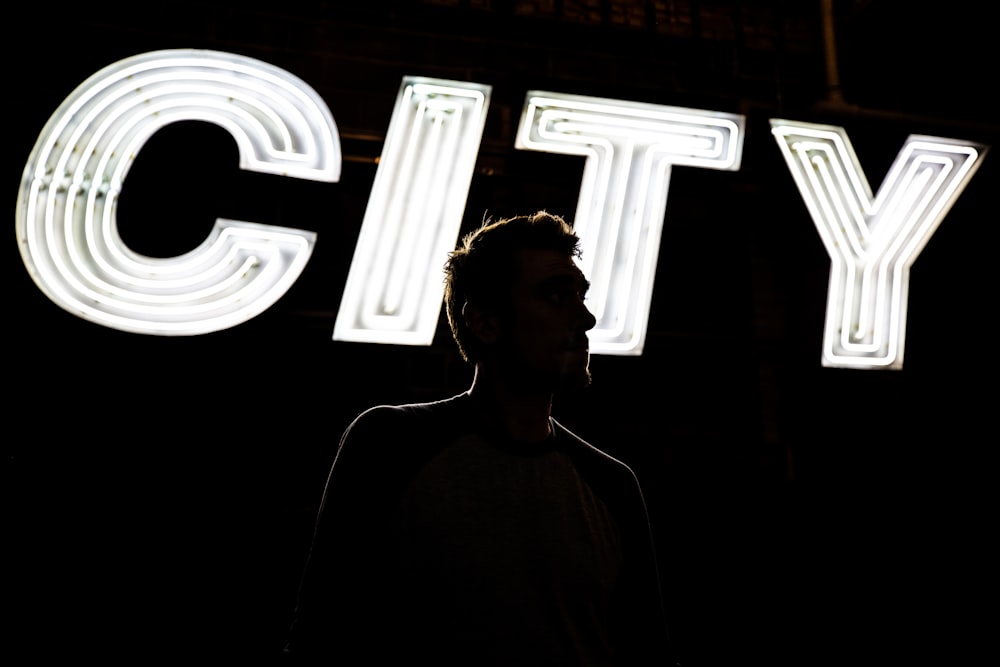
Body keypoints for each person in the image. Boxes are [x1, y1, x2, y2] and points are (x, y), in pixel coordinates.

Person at [283, 210, 677, 665]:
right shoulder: (391, 444)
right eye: (555, 295)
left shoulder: (613, 484)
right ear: (485, 322)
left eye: (581, 296)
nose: (586, 318)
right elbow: (318, 636)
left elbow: (650, 662)